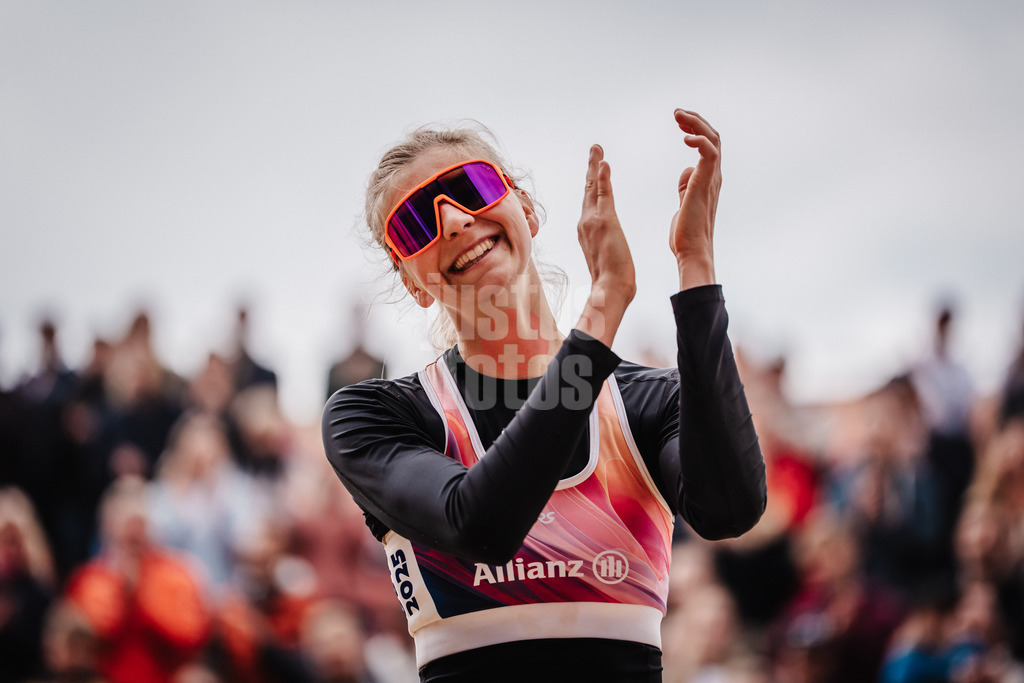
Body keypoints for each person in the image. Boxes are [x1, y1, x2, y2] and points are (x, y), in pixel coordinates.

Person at [322, 108, 767, 682]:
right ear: (411, 280)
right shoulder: (378, 415)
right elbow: (480, 525)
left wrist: (696, 267)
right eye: (416, 223)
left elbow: (731, 509)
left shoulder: (643, 402)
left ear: (525, 210)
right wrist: (602, 311)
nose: (455, 220)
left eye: (470, 187)